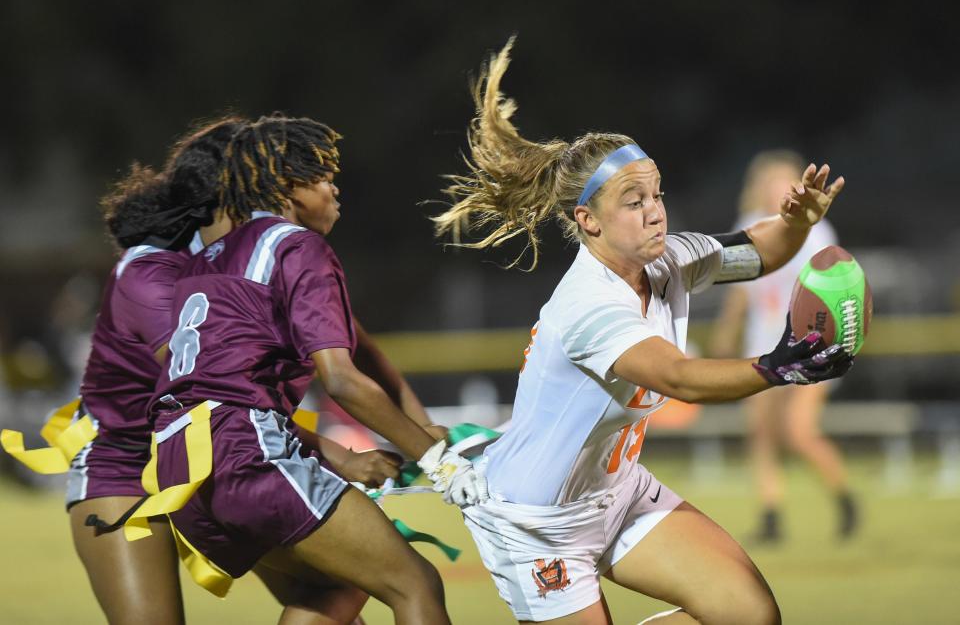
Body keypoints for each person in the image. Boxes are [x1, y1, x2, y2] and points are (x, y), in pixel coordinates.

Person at [432, 38, 853, 625]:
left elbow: (758, 251)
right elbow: (678, 376)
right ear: (588, 220)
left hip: (619, 492)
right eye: (634, 201)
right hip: (537, 524)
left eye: (657, 194)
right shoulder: (587, 304)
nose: (656, 211)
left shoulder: (668, 259)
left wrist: (796, 221)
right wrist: (776, 366)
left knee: (747, 613)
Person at [145, 113, 485, 625]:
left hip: (179, 470)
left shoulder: (201, 262)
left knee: (336, 589)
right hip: (243, 457)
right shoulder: (296, 246)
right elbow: (343, 380)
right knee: (414, 583)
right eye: (324, 176)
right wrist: (439, 459)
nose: (335, 189)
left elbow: (213, 390)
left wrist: (343, 460)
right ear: (287, 186)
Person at [68, 117, 245, 625]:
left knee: (332, 594)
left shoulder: (264, 254)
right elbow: (211, 385)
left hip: (217, 460)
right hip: (126, 466)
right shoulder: (152, 271)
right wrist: (333, 454)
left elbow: (349, 349)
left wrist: (423, 438)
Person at [710, 150, 857, 543]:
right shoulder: (749, 226)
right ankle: (771, 515)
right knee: (761, 432)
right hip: (763, 344)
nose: (776, 189)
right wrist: (728, 329)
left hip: (809, 344)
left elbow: (834, 289)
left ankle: (845, 499)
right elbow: (743, 286)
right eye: (769, 182)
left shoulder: (816, 230)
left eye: (782, 181)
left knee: (798, 431)